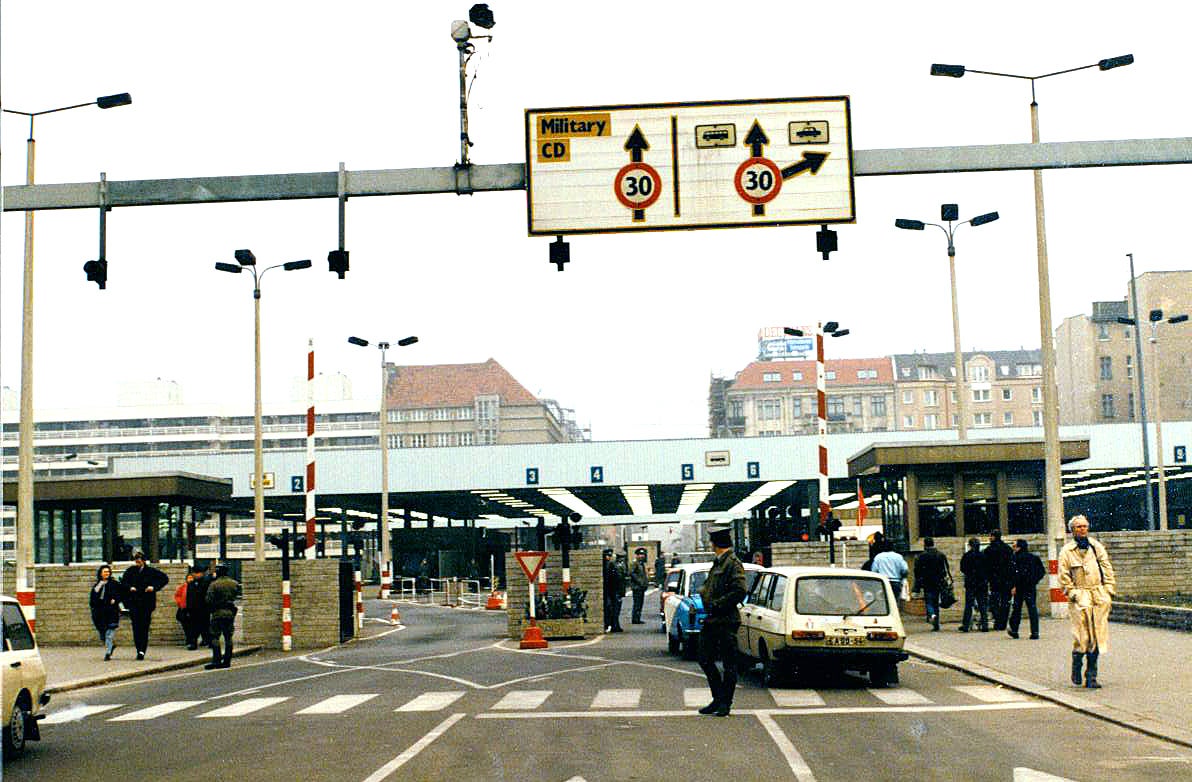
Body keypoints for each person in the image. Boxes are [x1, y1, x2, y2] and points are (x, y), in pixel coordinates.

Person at [1058, 515, 1116, 688]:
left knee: (1097, 636)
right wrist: (1073, 593)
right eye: (1078, 527)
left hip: (1098, 595)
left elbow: (1107, 569)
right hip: (1080, 596)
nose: (1082, 529)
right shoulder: (1066, 551)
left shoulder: (1097, 547)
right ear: (1072, 530)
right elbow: (1063, 576)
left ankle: (1091, 675)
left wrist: (1108, 591)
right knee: (1082, 636)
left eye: (1084, 526)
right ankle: (1077, 663)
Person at [696, 524, 747, 717]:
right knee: (704, 658)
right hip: (713, 619)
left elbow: (740, 590)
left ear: (716, 543)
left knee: (729, 663)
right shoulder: (718, 562)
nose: (711, 544)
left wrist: (718, 604)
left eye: (712, 541)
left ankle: (725, 702)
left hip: (726, 619)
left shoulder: (732, 563)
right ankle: (718, 698)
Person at [121, 551, 170, 660]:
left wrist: (154, 587)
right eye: (136, 561)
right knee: (136, 627)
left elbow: (164, 578)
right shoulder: (130, 571)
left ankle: (142, 650)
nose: (137, 563)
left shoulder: (151, 571)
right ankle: (138, 648)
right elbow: (123, 582)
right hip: (134, 603)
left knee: (144, 627)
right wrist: (130, 587)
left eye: (139, 561)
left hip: (146, 603)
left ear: (143, 561)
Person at [1008, 539, 1046, 640]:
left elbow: (1013, 574)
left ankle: (1014, 630)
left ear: (1019, 547)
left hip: (1019, 587)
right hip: (1030, 587)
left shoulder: (1015, 558)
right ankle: (1035, 632)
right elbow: (1041, 571)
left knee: (1017, 609)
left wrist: (1013, 586)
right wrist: (1034, 581)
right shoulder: (1033, 558)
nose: (1013, 548)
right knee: (1032, 609)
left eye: (1014, 546)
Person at [205, 562, 240, 670]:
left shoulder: (214, 584)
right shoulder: (234, 583)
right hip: (230, 612)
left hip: (217, 612)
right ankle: (227, 660)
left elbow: (208, 599)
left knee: (214, 636)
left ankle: (216, 660)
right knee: (228, 637)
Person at [913, 537, 950, 631]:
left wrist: (917, 584)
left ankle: (932, 614)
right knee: (936, 602)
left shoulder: (921, 556)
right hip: (939, 582)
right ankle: (936, 624)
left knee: (929, 602)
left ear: (925, 545)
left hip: (927, 582)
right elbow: (946, 568)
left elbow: (917, 571)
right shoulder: (940, 555)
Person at [89, 563, 124, 661]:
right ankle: (111, 646)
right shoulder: (98, 585)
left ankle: (108, 653)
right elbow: (93, 597)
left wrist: (115, 599)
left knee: (109, 633)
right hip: (100, 612)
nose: (106, 573)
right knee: (103, 633)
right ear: (100, 573)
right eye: (104, 572)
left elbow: (121, 594)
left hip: (111, 611)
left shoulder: (114, 584)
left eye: (108, 572)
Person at [982, 530, 1015, 631]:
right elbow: (1012, 565)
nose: (989, 538)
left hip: (994, 580)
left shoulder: (989, 550)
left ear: (993, 537)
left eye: (991, 536)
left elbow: (986, 566)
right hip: (1007, 579)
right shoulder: (1008, 549)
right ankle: (1003, 622)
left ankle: (997, 620)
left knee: (994, 602)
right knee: (1005, 602)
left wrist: (987, 578)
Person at [958, 538, 989, 632]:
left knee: (969, 605)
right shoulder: (983, 556)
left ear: (970, 545)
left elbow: (962, 568)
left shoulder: (967, 556)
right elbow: (988, 568)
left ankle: (966, 625)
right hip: (981, 583)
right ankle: (985, 625)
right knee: (982, 605)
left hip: (970, 583)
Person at [871, 540, 908, 605]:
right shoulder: (898, 557)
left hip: (882, 582)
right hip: (896, 582)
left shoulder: (878, 557)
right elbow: (905, 569)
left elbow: (874, 570)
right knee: (895, 602)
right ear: (893, 547)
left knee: (883, 602)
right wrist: (903, 577)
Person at [185, 563, 212, 649]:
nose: (194, 575)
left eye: (196, 573)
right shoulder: (191, 583)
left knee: (205, 626)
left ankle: (208, 641)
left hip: (204, 608)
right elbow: (189, 597)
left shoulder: (206, 583)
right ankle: (193, 643)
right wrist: (188, 608)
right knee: (193, 627)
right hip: (193, 609)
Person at [601, 549, 624, 633]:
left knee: (614, 609)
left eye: (610, 556)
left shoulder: (611, 565)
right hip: (610, 591)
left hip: (613, 591)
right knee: (612, 609)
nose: (609, 557)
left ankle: (614, 625)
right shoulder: (608, 566)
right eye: (607, 556)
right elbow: (615, 579)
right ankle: (612, 625)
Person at [629, 547, 649, 624]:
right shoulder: (635, 563)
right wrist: (640, 581)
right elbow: (632, 573)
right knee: (637, 603)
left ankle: (637, 618)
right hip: (637, 587)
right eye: (640, 554)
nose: (642, 556)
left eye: (643, 554)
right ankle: (635, 619)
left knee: (640, 603)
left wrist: (645, 583)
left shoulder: (641, 564)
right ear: (637, 555)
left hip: (641, 587)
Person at [173, 570, 194, 646]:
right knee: (185, 624)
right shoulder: (183, 586)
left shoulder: (195, 586)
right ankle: (189, 639)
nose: (190, 579)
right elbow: (177, 595)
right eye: (189, 578)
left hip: (192, 609)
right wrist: (180, 603)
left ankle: (191, 640)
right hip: (183, 608)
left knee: (191, 625)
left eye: (191, 578)